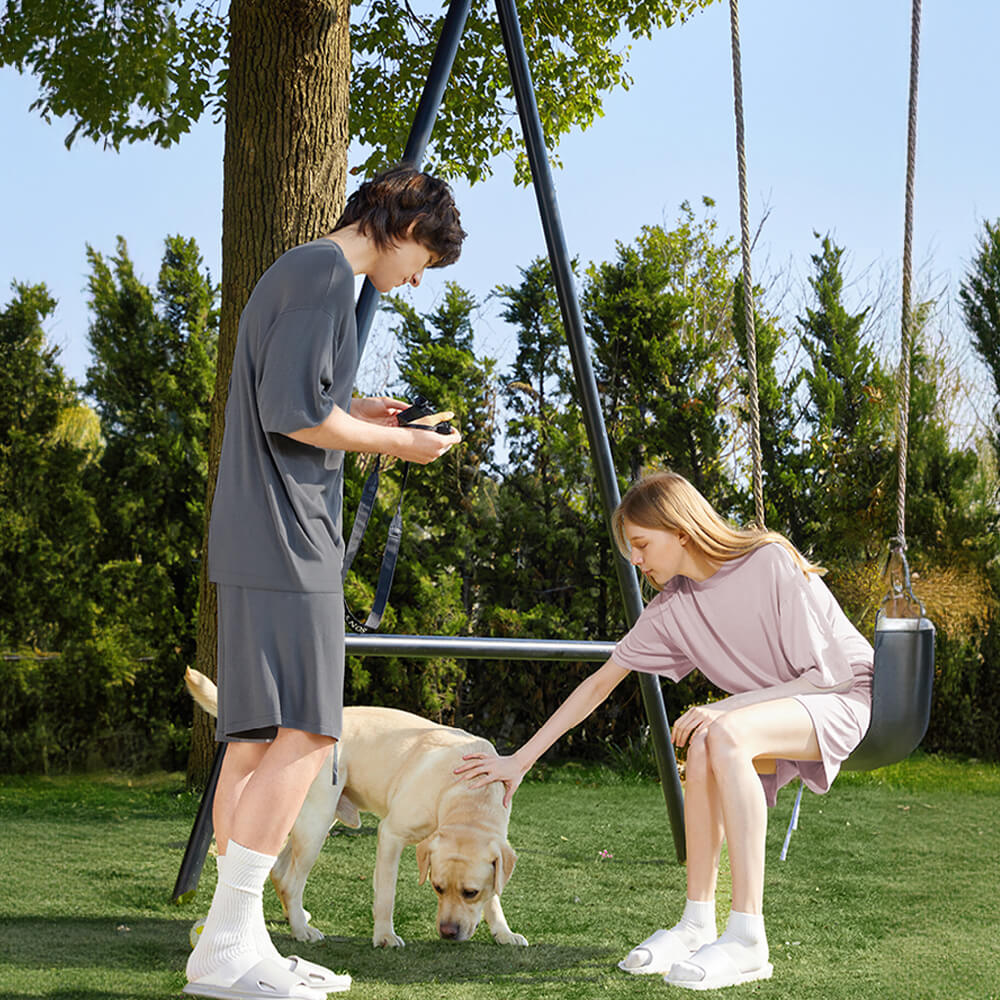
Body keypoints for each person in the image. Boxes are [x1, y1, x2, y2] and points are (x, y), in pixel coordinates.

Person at [185, 164, 466, 1000]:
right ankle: (233, 948)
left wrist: (364, 407)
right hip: (284, 541)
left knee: (254, 740)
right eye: (423, 260)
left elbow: (309, 398)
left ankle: (228, 949)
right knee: (306, 735)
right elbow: (294, 414)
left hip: (259, 536)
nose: (416, 280)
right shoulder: (323, 278)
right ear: (402, 226)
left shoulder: (305, 273)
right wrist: (397, 446)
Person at [456, 470, 874, 991]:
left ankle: (748, 937)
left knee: (720, 732)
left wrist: (728, 708)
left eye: (640, 543)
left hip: (841, 697)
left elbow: (826, 675)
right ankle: (697, 922)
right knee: (706, 741)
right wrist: (520, 759)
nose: (635, 559)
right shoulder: (671, 607)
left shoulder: (767, 560)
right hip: (766, 714)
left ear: (680, 530)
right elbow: (599, 684)